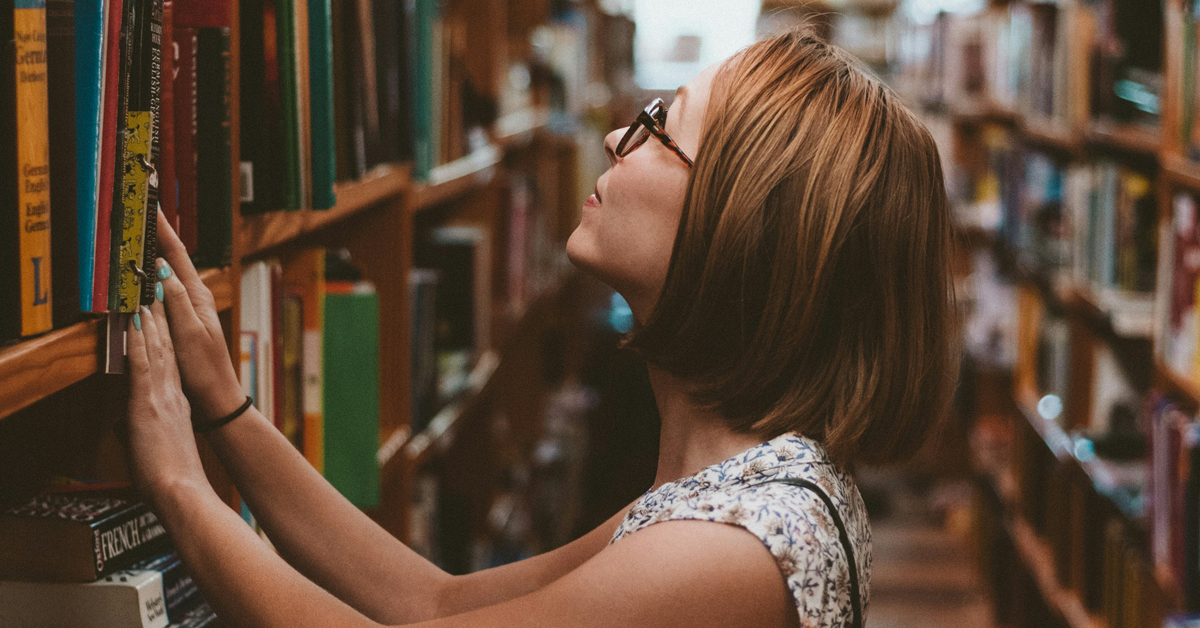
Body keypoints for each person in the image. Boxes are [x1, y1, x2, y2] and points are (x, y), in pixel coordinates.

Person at [125, 28, 957, 628]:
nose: (614, 137)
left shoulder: (729, 550)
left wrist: (180, 490)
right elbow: (431, 602)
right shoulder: (731, 492)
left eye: (659, 127)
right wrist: (227, 412)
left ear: (742, 226)